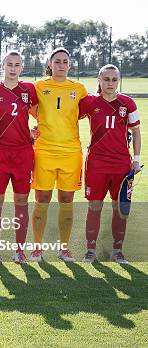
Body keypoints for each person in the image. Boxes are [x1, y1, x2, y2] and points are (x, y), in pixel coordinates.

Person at [30, 47, 88, 262]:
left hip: (71, 152)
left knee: (66, 199)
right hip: (44, 150)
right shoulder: (39, 86)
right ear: (50, 64)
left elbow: (87, 112)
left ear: (69, 65)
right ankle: (37, 248)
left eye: (65, 61)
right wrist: (33, 129)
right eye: (57, 61)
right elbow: (28, 108)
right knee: (42, 198)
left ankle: (64, 248)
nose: (61, 65)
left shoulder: (79, 89)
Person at [79, 64, 141, 264]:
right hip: (96, 163)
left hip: (121, 164)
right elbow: (69, 117)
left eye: (114, 79)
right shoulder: (89, 102)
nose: (110, 83)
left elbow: (136, 132)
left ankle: (117, 251)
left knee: (120, 209)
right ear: (99, 80)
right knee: (94, 207)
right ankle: (90, 251)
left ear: (118, 81)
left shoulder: (128, 103)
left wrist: (136, 160)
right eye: (106, 79)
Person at [0, 51, 38, 264]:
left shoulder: (29, 89)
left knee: (21, 201)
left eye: (17, 64)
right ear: (2, 66)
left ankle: (19, 250)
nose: (13, 68)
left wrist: (35, 129)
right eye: (9, 64)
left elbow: (38, 113)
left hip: (23, 152)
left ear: (21, 68)